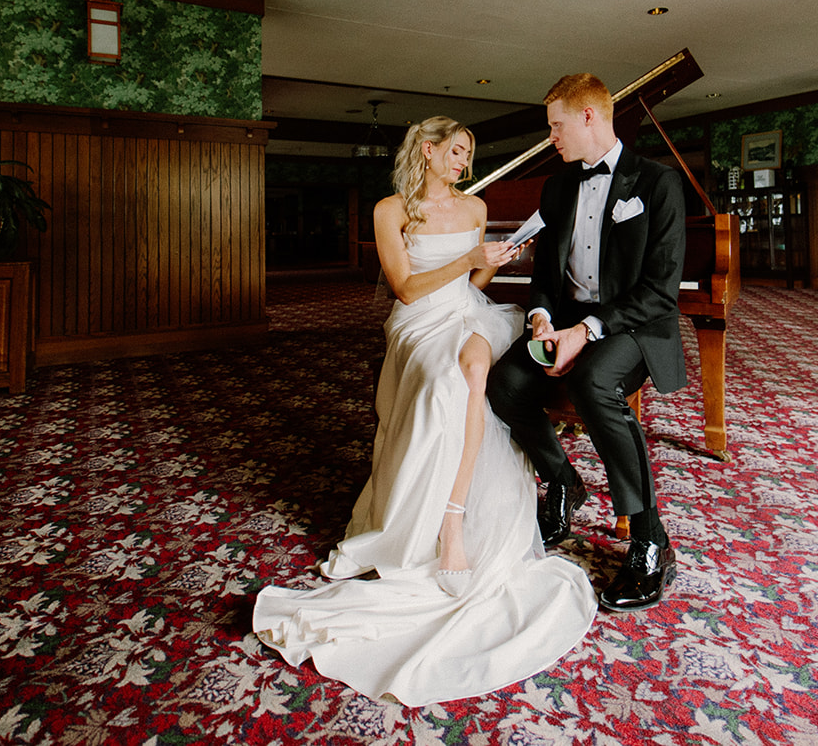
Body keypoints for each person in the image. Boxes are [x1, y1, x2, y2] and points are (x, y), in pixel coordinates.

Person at [252, 116, 595, 706]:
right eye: (457, 151)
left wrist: (502, 257)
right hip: (417, 324)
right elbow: (406, 290)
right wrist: (468, 262)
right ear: (428, 151)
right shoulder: (390, 210)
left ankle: (454, 519)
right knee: (444, 385)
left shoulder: (476, 206)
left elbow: (479, 278)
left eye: (468, 154)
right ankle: (418, 518)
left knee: (474, 373)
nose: (465, 161)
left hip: (471, 313)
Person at [485, 73, 685, 613]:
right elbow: (545, 275)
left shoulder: (658, 183)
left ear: (589, 117)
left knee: (594, 380)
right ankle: (563, 481)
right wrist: (545, 320)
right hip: (568, 320)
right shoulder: (556, 186)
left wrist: (585, 333)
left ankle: (650, 540)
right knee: (503, 382)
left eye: (556, 126)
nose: (551, 137)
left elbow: (660, 291)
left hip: (634, 326)